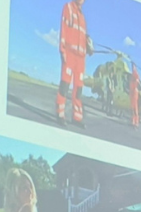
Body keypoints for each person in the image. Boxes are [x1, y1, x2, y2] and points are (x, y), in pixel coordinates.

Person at [56, 0, 93, 128]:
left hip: (81, 59)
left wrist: (89, 47)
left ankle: (77, 118)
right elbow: (63, 28)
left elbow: (83, 39)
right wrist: (62, 49)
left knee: (78, 89)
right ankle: (60, 114)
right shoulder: (68, 8)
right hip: (69, 54)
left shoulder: (83, 17)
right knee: (65, 85)